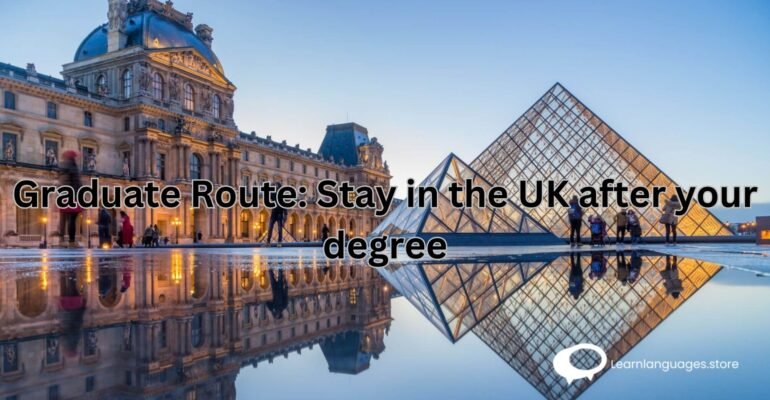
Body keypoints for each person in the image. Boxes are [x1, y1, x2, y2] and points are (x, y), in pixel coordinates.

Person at [58, 150, 82, 247]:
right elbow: (76, 182)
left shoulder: (63, 166)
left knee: (64, 217)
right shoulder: (73, 167)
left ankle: (61, 238)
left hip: (64, 194)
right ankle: (72, 241)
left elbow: (61, 181)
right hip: (72, 194)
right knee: (72, 217)